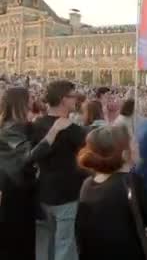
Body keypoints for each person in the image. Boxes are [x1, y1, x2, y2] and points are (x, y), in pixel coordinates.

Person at [0, 87, 72, 260]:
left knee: (22, 242)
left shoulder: (21, 126)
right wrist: (52, 133)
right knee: (16, 243)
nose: (34, 100)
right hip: (14, 193)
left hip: (21, 191)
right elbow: (27, 157)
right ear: (21, 102)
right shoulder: (10, 129)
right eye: (30, 97)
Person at [76, 125, 147, 260]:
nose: (138, 145)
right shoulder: (131, 183)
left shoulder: (88, 184)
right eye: (134, 142)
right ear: (125, 154)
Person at [31, 80, 87, 260]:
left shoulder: (37, 124)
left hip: (45, 191)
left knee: (51, 242)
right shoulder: (73, 130)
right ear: (63, 99)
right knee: (65, 245)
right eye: (73, 96)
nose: (76, 100)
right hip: (67, 194)